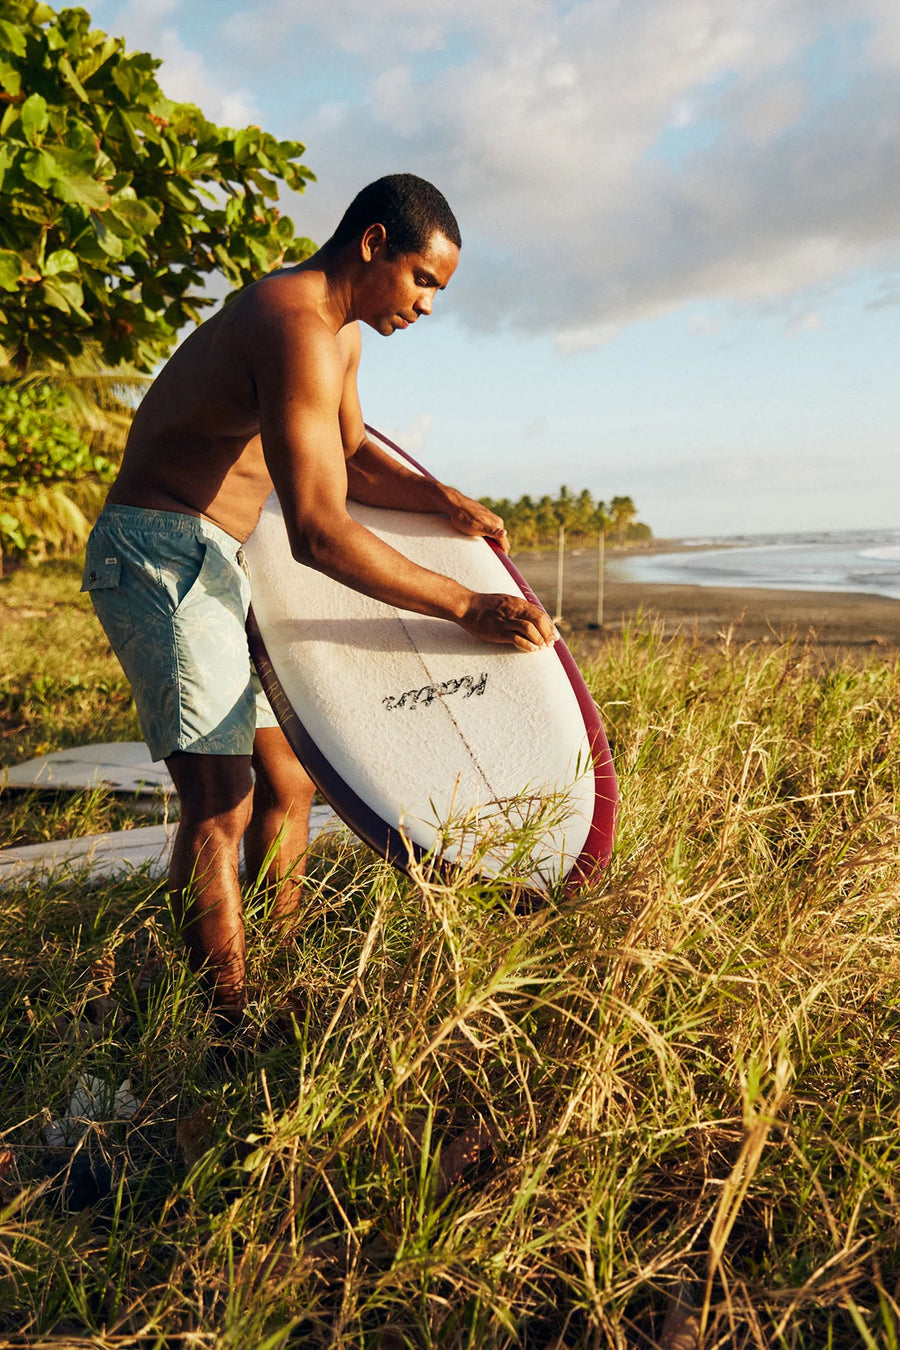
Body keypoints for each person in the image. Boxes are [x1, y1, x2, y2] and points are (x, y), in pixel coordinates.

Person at [82, 173, 556, 1020]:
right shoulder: (289, 319)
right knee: (220, 801)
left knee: (289, 783)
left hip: (220, 555)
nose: (428, 306)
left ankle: (280, 965)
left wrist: (445, 502)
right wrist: (463, 605)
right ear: (374, 244)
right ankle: (225, 1022)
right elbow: (318, 530)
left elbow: (357, 462)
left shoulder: (339, 336)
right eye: (423, 280)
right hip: (159, 550)